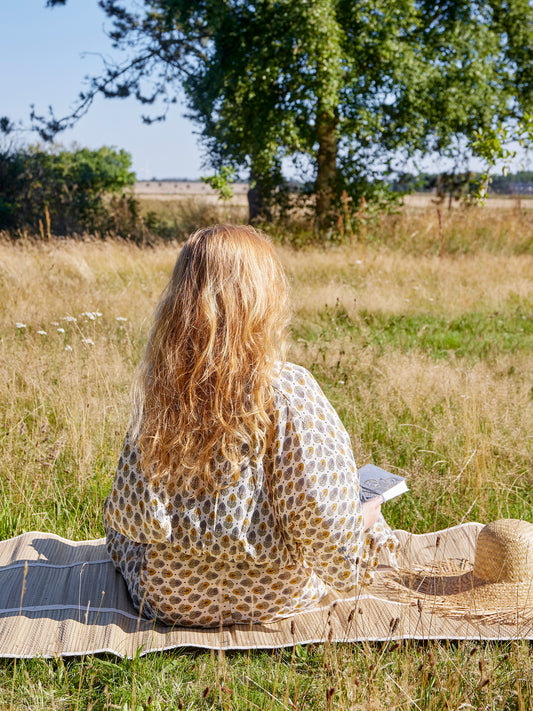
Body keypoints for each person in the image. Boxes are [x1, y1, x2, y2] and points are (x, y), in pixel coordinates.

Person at [103, 224, 399, 627]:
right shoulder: (287, 389)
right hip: (274, 594)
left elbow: (127, 513)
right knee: (370, 511)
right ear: (262, 297)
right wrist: (363, 526)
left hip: (171, 597)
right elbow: (319, 517)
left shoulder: (162, 386)